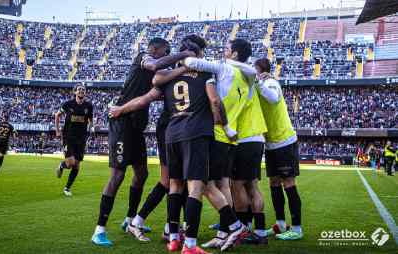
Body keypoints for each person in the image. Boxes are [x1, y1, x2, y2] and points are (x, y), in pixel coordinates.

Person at [92, 37, 197, 247]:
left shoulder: (154, 75)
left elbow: (155, 93)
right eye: (166, 52)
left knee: (142, 173)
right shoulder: (144, 57)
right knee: (118, 174)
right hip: (121, 121)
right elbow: (156, 65)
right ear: (155, 49)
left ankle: (130, 220)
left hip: (136, 126)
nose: (167, 56)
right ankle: (99, 229)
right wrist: (184, 55)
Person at [184, 39, 268, 244]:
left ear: (235, 54)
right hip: (231, 138)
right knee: (223, 185)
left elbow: (190, 62)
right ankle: (223, 234)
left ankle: (233, 227)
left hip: (217, 134)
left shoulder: (223, 68)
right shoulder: (248, 80)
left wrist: (185, 57)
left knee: (206, 185)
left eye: (227, 49)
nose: (224, 51)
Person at [252, 58, 303, 241]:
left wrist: (258, 82)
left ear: (260, 71)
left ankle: (297, 228)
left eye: (254, 70)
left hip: (284, 141)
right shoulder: (258, 86)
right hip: (271, 143)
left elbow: (273, 99)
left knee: (289, 183)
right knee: (274, 183)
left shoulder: (271, 82)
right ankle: (281, 224)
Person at [54, 84, 93, 197]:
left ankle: (67, 188)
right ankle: (62, 165)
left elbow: (91, 120)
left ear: (85, 93)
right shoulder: (68, 104)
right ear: (75, 92)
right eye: (79, 89)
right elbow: (57, 115)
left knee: (76, 165)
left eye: (83, 90)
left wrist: (91, 128)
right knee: (70, 163)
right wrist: (57, 130)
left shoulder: (89, 106)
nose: (81, 91)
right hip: (68, 137)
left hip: (81, 139)